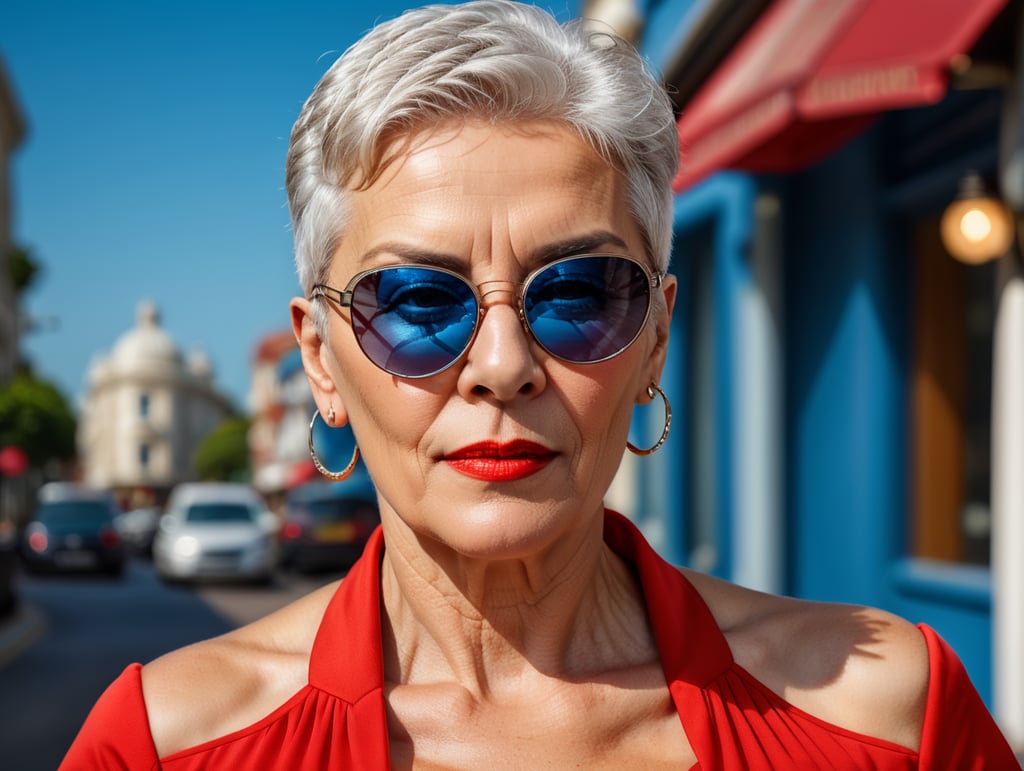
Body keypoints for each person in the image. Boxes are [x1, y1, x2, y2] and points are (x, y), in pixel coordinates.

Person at [61, 1, 1018, 768]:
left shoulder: (890, 721)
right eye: (418, 303)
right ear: (321, 359)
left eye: (578, 293)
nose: (504, 364)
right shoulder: (166, 742)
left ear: (654, 339)